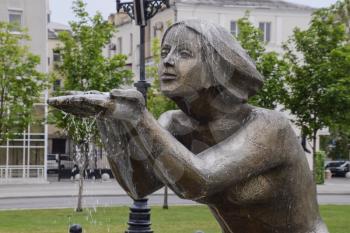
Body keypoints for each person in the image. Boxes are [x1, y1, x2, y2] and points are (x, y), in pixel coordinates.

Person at [49, 20, 328, 233]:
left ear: (217, 67)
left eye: (184, 53)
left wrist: (139, 118)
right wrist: (111, 121)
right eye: (165, 51)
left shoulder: (269, 127)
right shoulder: (174, 124)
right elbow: (138, 185)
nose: (167, 61)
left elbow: (200, 182)